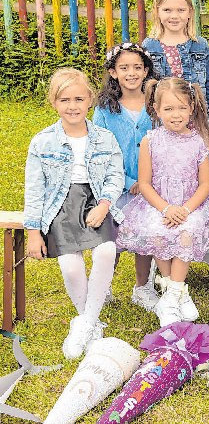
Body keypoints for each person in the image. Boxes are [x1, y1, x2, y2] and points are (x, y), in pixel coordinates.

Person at [24, 68, 124, 359]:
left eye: (79, 99)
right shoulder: (42, 142)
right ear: (54, 102)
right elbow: (34, 189)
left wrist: (105, 203)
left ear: (90, 100)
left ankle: (85, 325)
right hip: (61, 206)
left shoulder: (105, 138)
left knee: (106, 251)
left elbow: (115, 175)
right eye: (64, 99)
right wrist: (33, 232)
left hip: (95, 201)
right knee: (70, 266)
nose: (72, 106)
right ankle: (89, 322)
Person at [116, 78, 209, 327]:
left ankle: (172, 294)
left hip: (191, 205)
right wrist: (166, 208)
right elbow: (145, 184)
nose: (176, 114)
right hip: (157, 203)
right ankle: (178, 292)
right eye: (168, 109)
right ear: (156, 110)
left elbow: (205, 185)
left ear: (192, 108)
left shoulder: (198, 141)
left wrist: (184, 209)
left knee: (187, 231)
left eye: (182, 107)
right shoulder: (151, 140)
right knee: (156, 229)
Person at [94, 42, 160, 311]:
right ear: (113, 72)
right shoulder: (105, 110)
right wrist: (126, 181)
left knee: (146, 232)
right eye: (124, 68)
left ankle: (143, 287)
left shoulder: (156, 104)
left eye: (137, 67)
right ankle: (103, 285)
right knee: (112, 235)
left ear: (146, 71)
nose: (131, 73)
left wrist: (146, 182)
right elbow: (100, 152)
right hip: (117, 187)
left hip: (151, 186)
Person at [142, 0, 209, 108]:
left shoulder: (201, 45)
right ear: (156, 11)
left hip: (197, 119)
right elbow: (144, 89)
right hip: (163, 120)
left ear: (190, 12)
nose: (174, 16)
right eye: (167, 10)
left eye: (181, 10)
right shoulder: (149, 46)